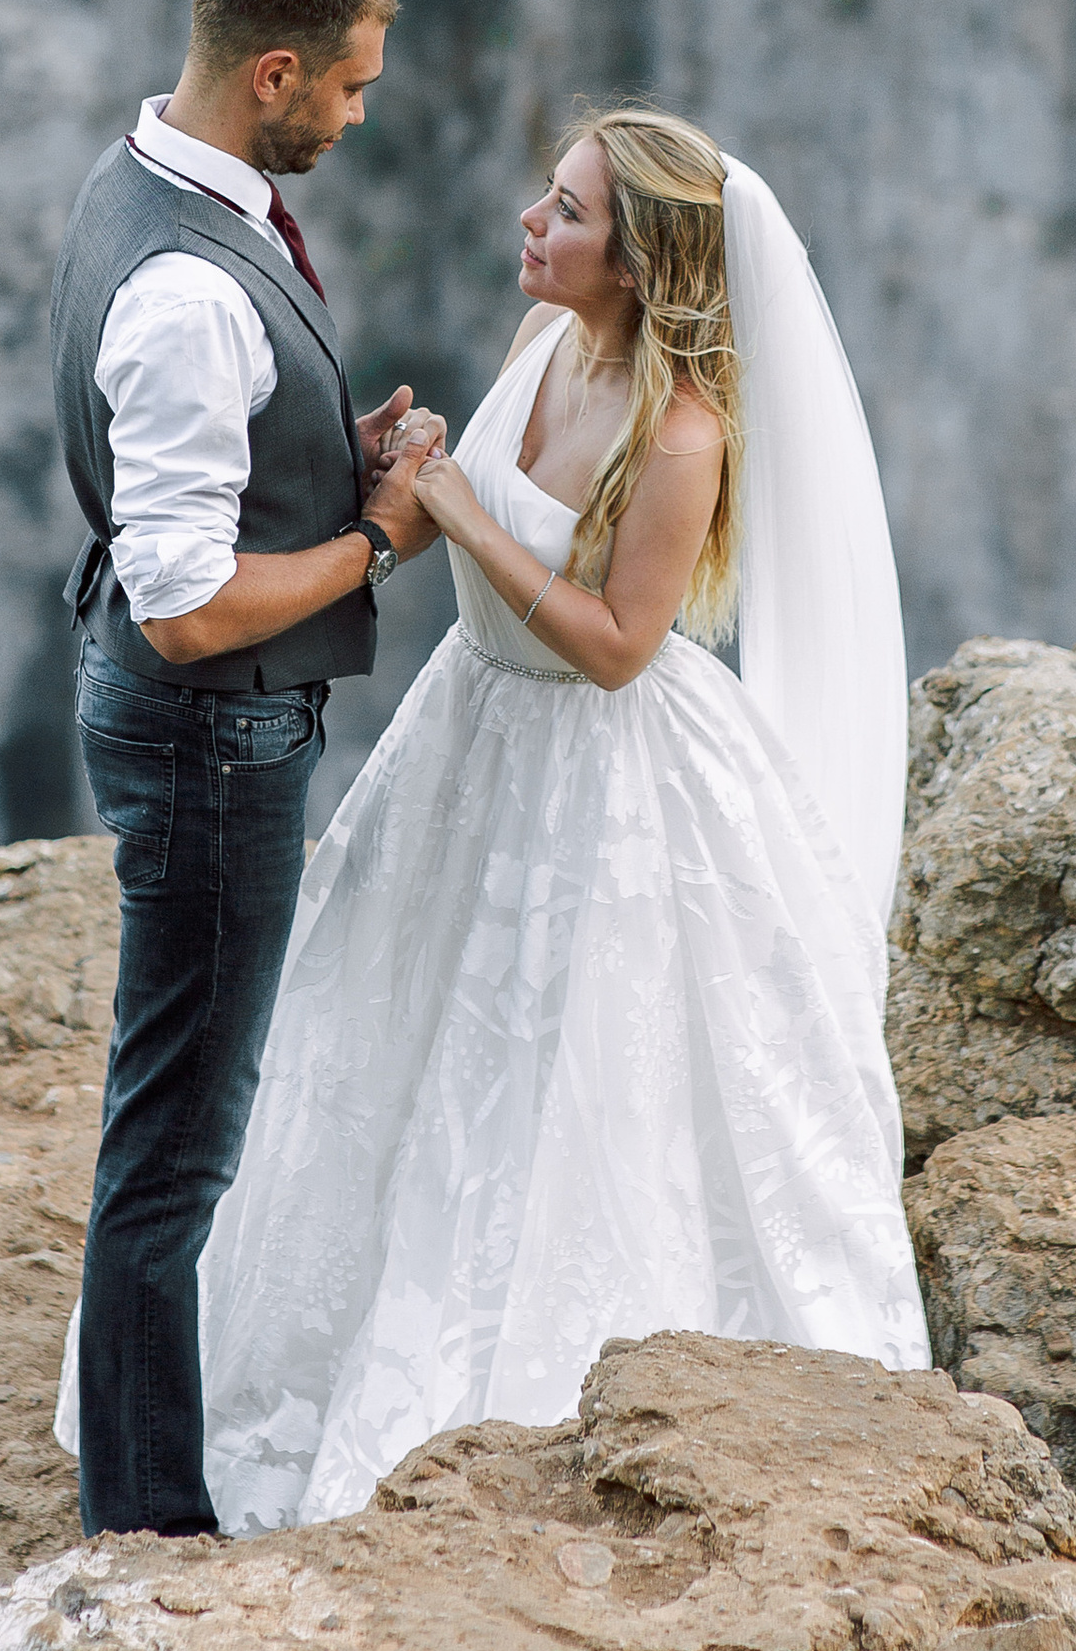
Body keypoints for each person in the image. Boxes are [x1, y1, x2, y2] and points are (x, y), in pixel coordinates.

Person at [185, 103, 927, 1533]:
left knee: (576, 1080)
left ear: (638, 262)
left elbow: (617, 647)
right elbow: (498, 518)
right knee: (394, 1042)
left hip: (605, 778)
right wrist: (415, 473)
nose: (535, 221)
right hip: (475, 739)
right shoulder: (541, 349)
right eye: (548, 194)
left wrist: (456, 514)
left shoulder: (685, 433)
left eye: (570, 211)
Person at [45, 0, 443, 1538]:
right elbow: (189, 607)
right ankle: (146, 1525)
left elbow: (189, 488)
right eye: (345, 90)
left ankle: (141, 1477)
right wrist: (377, 543)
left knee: (174, 1115)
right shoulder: (191, 301)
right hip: (213, 740)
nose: (356, 118)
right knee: (177, 1146)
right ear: (273, 73)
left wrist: (323, 457)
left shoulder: (142, 184)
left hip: (181, 722)